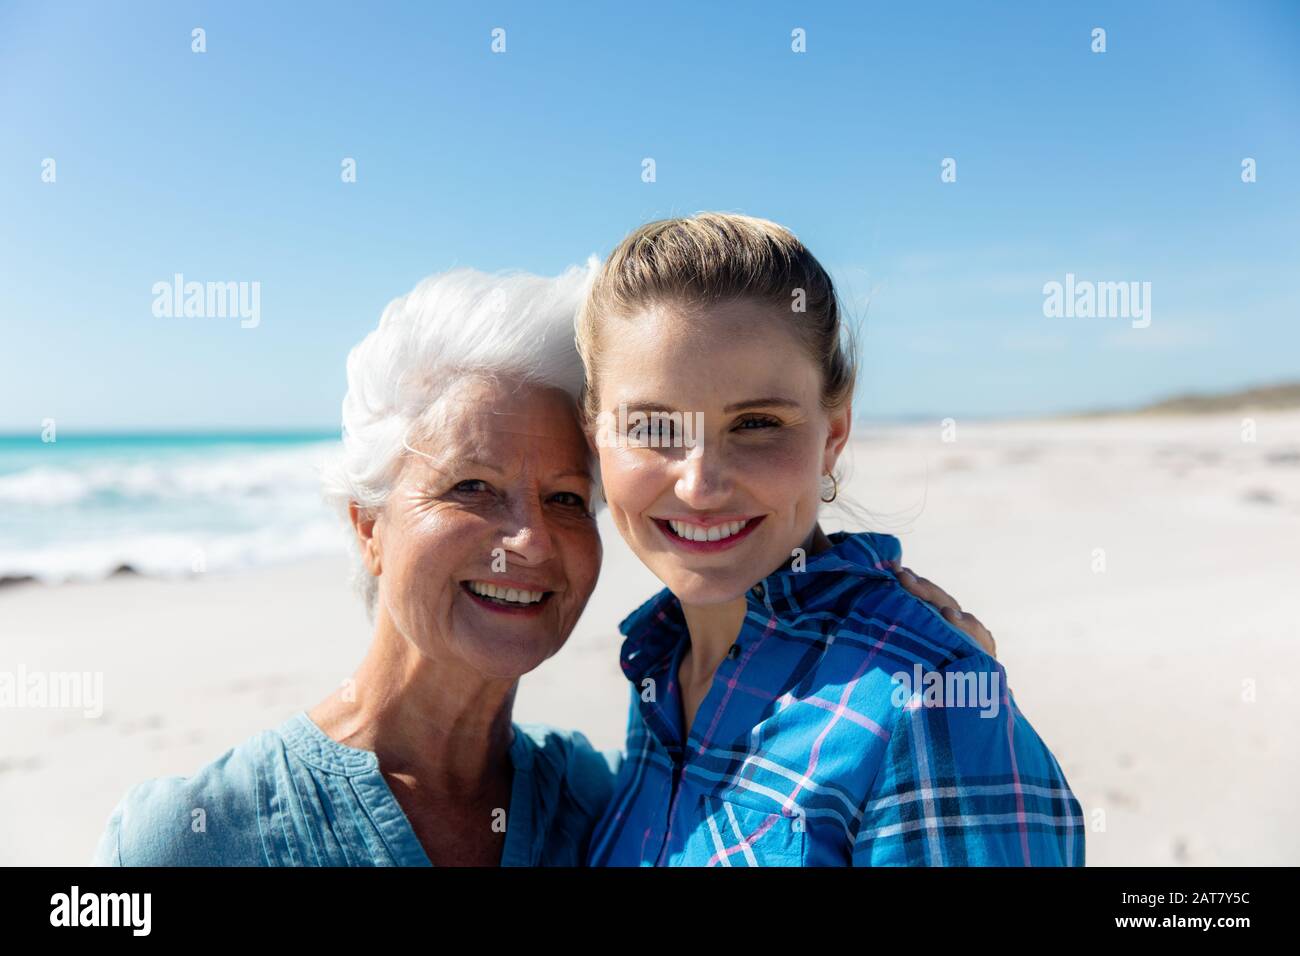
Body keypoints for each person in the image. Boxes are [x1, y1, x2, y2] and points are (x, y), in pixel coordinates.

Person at [92, 259, 991, 866]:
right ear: (367, 523)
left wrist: (920, 664)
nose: (526, 539)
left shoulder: (596, 807)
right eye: (472, 488)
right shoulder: (192, 836)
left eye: (566, 498)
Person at [578, 213, 1084, 866]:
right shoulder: (659, 668)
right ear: (597, 439)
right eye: (653, 427)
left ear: (834, 436)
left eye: (757, 423)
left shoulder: (925, 700)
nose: (701, 485)